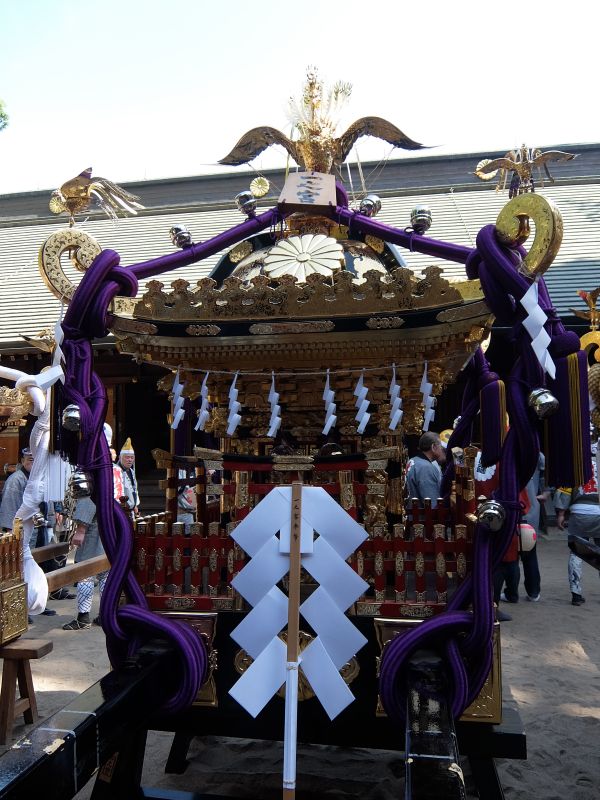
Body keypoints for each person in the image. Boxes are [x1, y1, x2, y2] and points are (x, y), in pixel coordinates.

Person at [0, 448, 57, 617]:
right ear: (22, 461)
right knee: (20, 569)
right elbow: (9, 506)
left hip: (40, 527)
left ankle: (37, 600)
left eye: (36, 460)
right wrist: (11, 533)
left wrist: (52, 518)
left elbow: (48, 500)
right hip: (21, 531)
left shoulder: (40, 477)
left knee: (39, 564)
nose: (33, 462)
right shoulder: (16, 480)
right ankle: (21, 607)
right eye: (29, 459)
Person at [554, 477, 600, 607]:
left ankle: (576, 594)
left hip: (579, 512)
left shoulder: (576, 464)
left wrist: (561, 513)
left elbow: (566, 487)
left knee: (577, 552)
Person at [405, 432, 445, 508]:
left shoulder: (413, 460)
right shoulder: (426, 467)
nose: (443, 450)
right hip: (422, 515)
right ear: (433, 447)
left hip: (412, 512)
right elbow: (432, 505)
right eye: (442, 447)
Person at [118, 438, 139, 516]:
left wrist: (135, 505)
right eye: (127, 457)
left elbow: (134, 489)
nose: (130, 460)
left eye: (132, 457)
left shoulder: (131, 471)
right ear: (120, 458)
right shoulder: (116, 471)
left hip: (131, 511)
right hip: (121, 510)